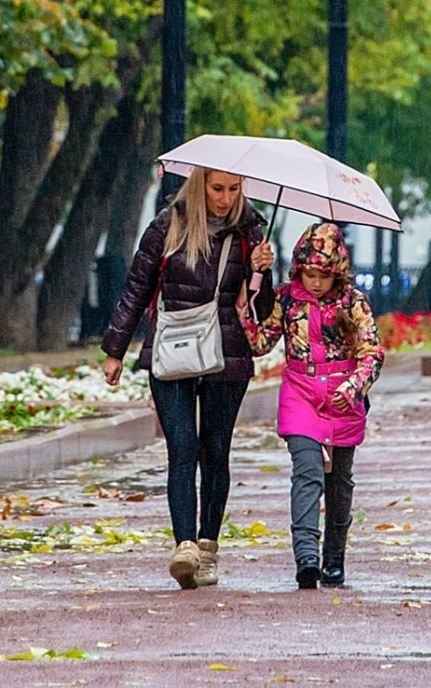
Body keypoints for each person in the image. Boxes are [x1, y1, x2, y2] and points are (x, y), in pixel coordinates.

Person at [101, 166, 275, 589]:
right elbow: (136, 288)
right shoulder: (168, 226)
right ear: (200, 186)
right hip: (172, 349)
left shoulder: (252, 231)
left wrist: (261, 271)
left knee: (215, 451)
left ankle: (208, 545)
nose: (225, 197)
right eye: (217, 188)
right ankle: (185, 547)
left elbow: (264, 308)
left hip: (226, 353)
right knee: (182, 448)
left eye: (234, 188)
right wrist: (115, 350)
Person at [236, 221, 384, 590]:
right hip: (301, 391)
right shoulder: (288, 299)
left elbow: (372, 352)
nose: (315, 282)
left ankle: (335, 556)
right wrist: (251, 291)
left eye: (323, 275)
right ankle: (306, 556)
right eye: (308, 273)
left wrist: (353, 387)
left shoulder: (353, 302)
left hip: (342, 396)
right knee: (307, 471)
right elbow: (260, 342)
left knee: (340, 482)